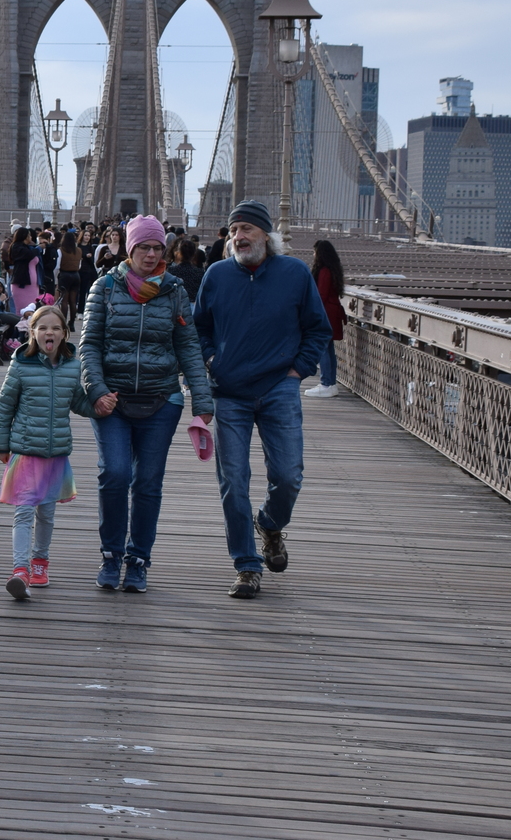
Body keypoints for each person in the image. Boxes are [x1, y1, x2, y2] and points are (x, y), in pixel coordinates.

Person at [194, 201, 332, 600]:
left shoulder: (294, 274)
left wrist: (298, 370)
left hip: (278, 387)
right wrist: (211, 359)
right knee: (233, 481)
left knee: (289, 476)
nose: (238, 236)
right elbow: (199, 328)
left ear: (266, 236)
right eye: (234, 230)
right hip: (229, 392)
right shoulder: (217, 275)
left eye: (247, 229)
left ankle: (270, 523)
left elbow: (318, 328)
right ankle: (247, 565)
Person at [78, 215, 215, 594]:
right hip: (113, 400)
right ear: (130, 249)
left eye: (157, 248)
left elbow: (188, 346)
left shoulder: (174, 291)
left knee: (148, 483)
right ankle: (111, 554)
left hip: (162, 399)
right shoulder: (105, 287)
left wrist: (202, 398)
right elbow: (89, 345)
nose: (151, 254)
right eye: (143, 247)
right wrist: (96, 390)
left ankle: (138, 560)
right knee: (115, 474)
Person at [0, 306, 93, 599]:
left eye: (56, 328)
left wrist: (99, 406)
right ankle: (20, 570)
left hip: (55, 454)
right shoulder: (21, 364)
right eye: (43, 327)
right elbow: (5, 405)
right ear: (33, 332)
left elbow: (78, 402)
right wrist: (1, 444)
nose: (50, 332)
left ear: (64, 334)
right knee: (24, 512)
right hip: (25, 451)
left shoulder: (72, 366)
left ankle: (40, 563)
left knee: (46, 514)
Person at [304, 240, 346, 398]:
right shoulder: (332, 269)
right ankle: (330, 383)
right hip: (331, 312)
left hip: (325, 314)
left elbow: (320, 295)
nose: (313, 255)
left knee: (323, 348)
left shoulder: (324, 271)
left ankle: (326, 383)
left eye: (314, 252)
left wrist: (311, 313)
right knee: (328, 349)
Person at [7, 226, 40, 317]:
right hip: (22, 284)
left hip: (32, 285)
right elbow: (28, 255)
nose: (31, 237)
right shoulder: (17, 247)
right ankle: (20, 326)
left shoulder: (28, 247)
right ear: (24, 236)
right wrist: (38, 249)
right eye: (29, 235)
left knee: (32, 310)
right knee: (22, 311)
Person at [56, 229, 84, 330]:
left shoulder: (60, 250)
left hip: (64, 275)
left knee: (64, 300)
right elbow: (79, 265)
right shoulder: (79, 250)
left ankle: (63, 323)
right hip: (76, 275)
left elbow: (57, 266)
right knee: (73, 301)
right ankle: (72, 323)